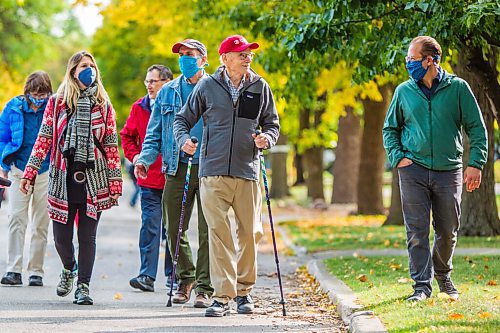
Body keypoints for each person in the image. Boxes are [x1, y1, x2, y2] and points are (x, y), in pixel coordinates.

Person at [173, 35, 280, 317]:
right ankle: (222, 296)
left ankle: (244, 292)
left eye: (248, 54)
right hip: (212, 171)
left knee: (250, 233)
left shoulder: (260, 86)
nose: (247, 58)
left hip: (247, 170)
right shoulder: (208, 86)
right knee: (219, 235)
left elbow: (272, 124)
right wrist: (183, 139)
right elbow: (182, 119)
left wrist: (266, 139)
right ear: (225, 58)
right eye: (241, 53)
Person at [382, 36, 487, 302]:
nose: (408, 64)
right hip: (412, 169)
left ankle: (443, 275)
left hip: (448, 170)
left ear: (430, 60)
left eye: (413, 59)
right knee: (416, 231)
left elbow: (476, 128)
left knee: (448, 230)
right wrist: (399, 158)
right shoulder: (404, 91)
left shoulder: (458, 88)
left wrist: (475, 163)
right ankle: (421, 286)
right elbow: (390, 129)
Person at [21, 51, 123, 305]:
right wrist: (30, 172)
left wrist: (115, 182)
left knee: (87, 237)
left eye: (92, 66)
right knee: (61, 239)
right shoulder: (57, 103)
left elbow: (110, 145)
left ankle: (84, 287)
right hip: (62, 177)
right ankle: (69, 268)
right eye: (83, 66)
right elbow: (44, 138)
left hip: (94, 178)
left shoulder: (103, 104)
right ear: (73, 72)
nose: (89, 70)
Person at [135, 39, 213, 308]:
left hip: (210, 168)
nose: (184, 59)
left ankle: (205, 286)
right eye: (181, 55)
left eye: (190, 55)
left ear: (203, 59)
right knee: (173, 227)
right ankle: (186, 277)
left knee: (208, 229)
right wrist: (144, 159)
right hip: (175, 165)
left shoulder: (216, 88)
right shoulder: (167, 91)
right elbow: (154, 132)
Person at [120, 64, 176, 292]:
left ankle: (175, 276)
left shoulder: (178, 104)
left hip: (174, 178)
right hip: (149, 180)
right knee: (150, 227)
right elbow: (127, 137)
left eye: (154, 81)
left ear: (167, 83)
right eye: (147, 81)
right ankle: (147, 276)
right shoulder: (139, 107)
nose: (149, 85)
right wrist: (137, 158)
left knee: (174, 230)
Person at [0, 71, 53, 287]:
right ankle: (13, 269)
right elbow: (2, 138)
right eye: (34, 94)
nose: (38, 99)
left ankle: (36, 272)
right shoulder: (13, 107)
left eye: (42, 95)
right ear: (27, 92)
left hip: (45, 170)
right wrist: (3, 167)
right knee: (16, 219)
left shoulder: (54, 108)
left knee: (41, 223)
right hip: (18, 169)